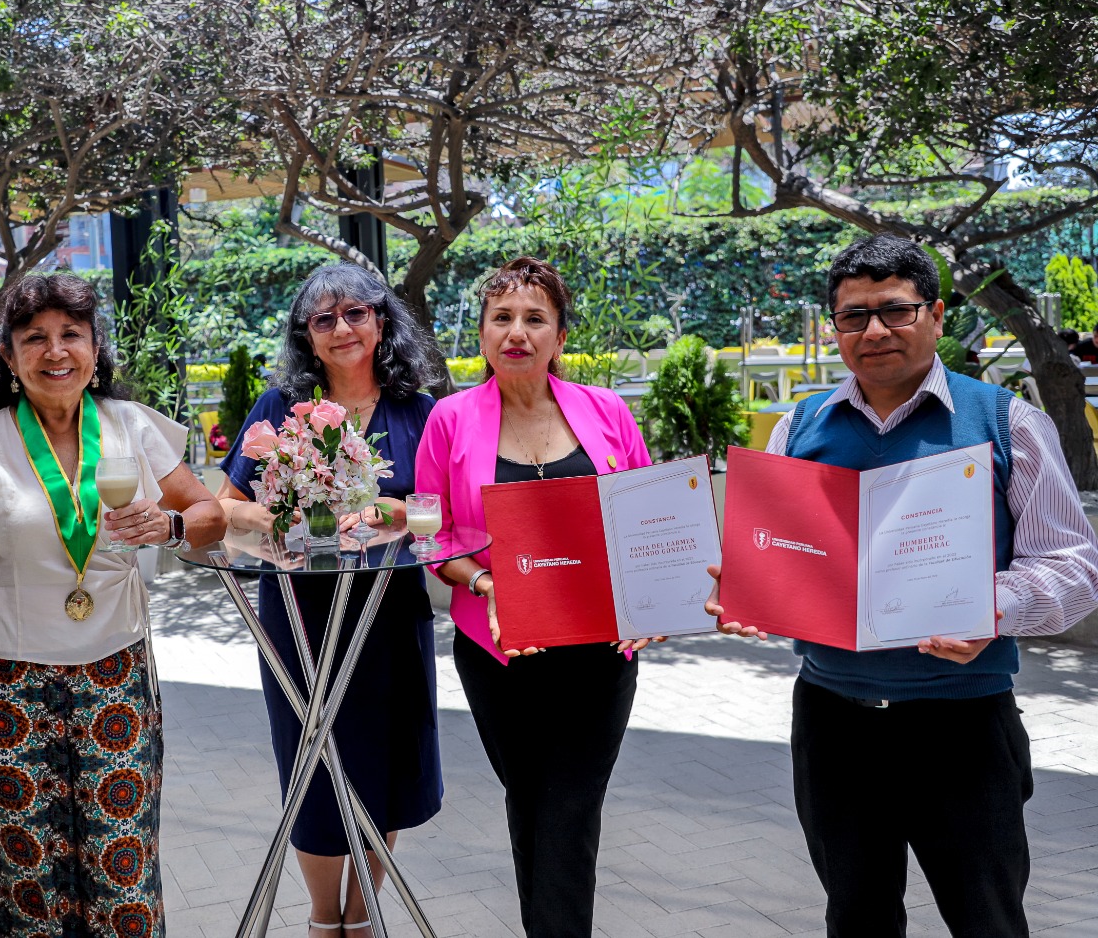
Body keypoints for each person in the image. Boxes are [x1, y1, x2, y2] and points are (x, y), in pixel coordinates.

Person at [706, 235, 1098, 938]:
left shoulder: (1006, 421)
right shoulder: (798, 426)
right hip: (833, 720)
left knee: (988, 919)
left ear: (937, 316)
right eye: (854, 316)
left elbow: (1073, 565)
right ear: (835, 328)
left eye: (895, 310)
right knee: (855, 918)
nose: (875, 331)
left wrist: (994, 607)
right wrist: (747, 590)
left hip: (962, 725)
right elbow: (772, 554)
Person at [0, 273, 226, 938]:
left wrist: (168, 527)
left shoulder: (131, 428)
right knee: (26, 881)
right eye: (35, 338)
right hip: (6, 693)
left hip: (116, 683)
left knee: (124, 870)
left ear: (94, 346)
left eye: (70, 335)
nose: (56, 352)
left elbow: (207, 514)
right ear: (9, 357)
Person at [414, 256, 657, 937]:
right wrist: (488, 582)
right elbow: (433, 538)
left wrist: (650, 604)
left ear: (558, 336)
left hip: (601, 655)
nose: (516, 332)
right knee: (532, 805)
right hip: (501, 653)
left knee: (570, 810)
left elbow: (647, 519)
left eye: (534, 319)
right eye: (502, 318)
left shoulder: (607, 411)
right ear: (483, 334)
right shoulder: (450, 420)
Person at [219, 262, 447, 936]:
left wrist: (376, 508)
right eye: (325, 319)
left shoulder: (420, 409)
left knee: (387, 762)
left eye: (357, 313)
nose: (343, 329)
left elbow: (438, 508)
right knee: (313, 763)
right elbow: (229, 507)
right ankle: (323, 920)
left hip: (386, 606)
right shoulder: (276, 409)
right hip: (299, 613)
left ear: (382, 321)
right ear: (308, 337)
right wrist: (293, 514)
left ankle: (363, 914)